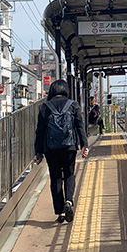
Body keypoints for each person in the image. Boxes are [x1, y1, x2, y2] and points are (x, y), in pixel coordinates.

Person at [34, 79, 89, 223]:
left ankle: (59, 212)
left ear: (52, 91)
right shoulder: (73, 105)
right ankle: (69, 202)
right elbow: (80, 127)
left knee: (56, 178)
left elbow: (39, 132)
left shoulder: (44, 107)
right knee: (70, 174)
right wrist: (85, 145)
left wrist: (38, 152)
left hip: (51, 149)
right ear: (65, 90)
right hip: (69, 147)